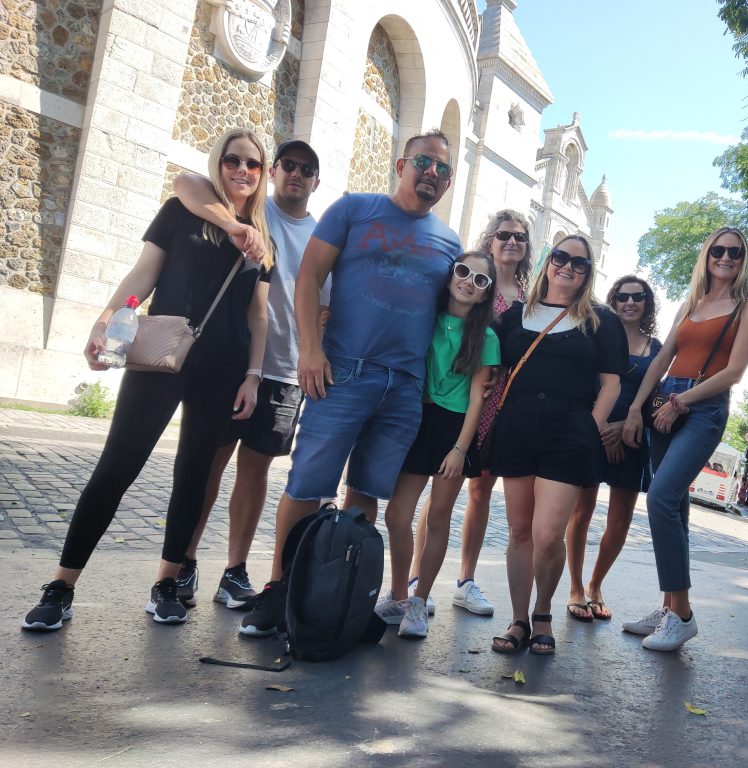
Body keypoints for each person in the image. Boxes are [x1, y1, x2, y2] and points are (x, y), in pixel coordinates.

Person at [22, 128, 274, 630]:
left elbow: (258, 316)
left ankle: (165, 583)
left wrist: (252, 375)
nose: (242, 171)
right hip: (158, 354)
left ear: (262, 172)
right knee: (116, 467)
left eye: (252, 163)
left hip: (222, 368)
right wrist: (104, 319)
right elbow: (145, 272)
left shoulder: (261, 241)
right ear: (218, 163)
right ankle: (61, 586)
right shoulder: (183, 211)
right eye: (232, 160)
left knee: (193, 476)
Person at [239, 129, 461, 637]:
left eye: (443, 169)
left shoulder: (449, 243)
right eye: (424, 162)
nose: (432, 173)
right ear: (403, 164)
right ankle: (280, 591)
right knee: (308, 484)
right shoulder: (355, 209)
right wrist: (310, 349)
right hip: (342, 371)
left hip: (405, 386)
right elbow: (308, 277)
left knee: (365, 495)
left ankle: (339, 595)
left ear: (448, 183)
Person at [170, 139, 328, 609]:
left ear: (316, 182)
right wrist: (227, 220)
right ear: (274, 171)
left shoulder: (322, 239)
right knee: (209, 466)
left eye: (307, 169)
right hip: (232, 361)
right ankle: (182, 562)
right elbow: (186, 185)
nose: (297, 174)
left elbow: (324, 306)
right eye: (289, 165)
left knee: (254, 471)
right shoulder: (251, 211)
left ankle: (234, 570)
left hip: (283, 370)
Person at [621, 227, 748, 651]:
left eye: (735, 252)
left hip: (702, 406)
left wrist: (681, 400)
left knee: (661, 498)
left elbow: (734, 372)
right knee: (677, 507)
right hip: (666, 400)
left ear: (743, 258)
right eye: (718, 250)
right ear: (706, 255)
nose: (726, 257)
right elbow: (662, 360)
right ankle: (669, 608)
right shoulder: (693, 303)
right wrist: (636, 407)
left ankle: (682, 614)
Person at [489, 236, 626, 655]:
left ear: (588, 273)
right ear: (548, 262)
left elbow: (611, 382)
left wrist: (590, 427)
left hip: (568, 434)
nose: (567, 267)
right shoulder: (516, 315)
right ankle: (517, 619)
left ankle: (543, 611)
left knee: (548, 534)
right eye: (560, 257)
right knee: (519, 531)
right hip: (517, 427)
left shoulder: (601, 320)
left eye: (579, 263)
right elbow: (489, 362)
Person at [408, 210, 534, 618]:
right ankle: (415, 581)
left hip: (501, 402)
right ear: (490, 239)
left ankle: (466, 580)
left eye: (520, 236)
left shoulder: (531, 296)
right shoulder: (472, 280)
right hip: (463, 397)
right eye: (504, 234)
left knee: (480, 491)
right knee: (439, 483)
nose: (512, 241)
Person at [376, 251, 500, 638]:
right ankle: (400, 593)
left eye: (481, 280)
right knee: (397, 514)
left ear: (485, 294)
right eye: (464, 272)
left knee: (437, 517)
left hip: (454, 429)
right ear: (450, 277)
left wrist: (461, 450)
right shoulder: (422, 319)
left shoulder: (487, 337)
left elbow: (478, 399)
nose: (469, 282)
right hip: (416, 418)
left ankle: (419, 601)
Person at [565, 275, 662, 621]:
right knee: (580, 512)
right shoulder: (595, 336)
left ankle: (595, 585)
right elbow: (579, 383)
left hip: (632, 440)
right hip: (592, 431)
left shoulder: (658, 349)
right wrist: (602, 426)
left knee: (619, 522)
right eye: (622, 296)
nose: (630, 302)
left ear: (647, 304)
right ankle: (575, 587)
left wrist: (625, 428)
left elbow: (657, 399)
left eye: (638, 297)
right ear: (614, 300)